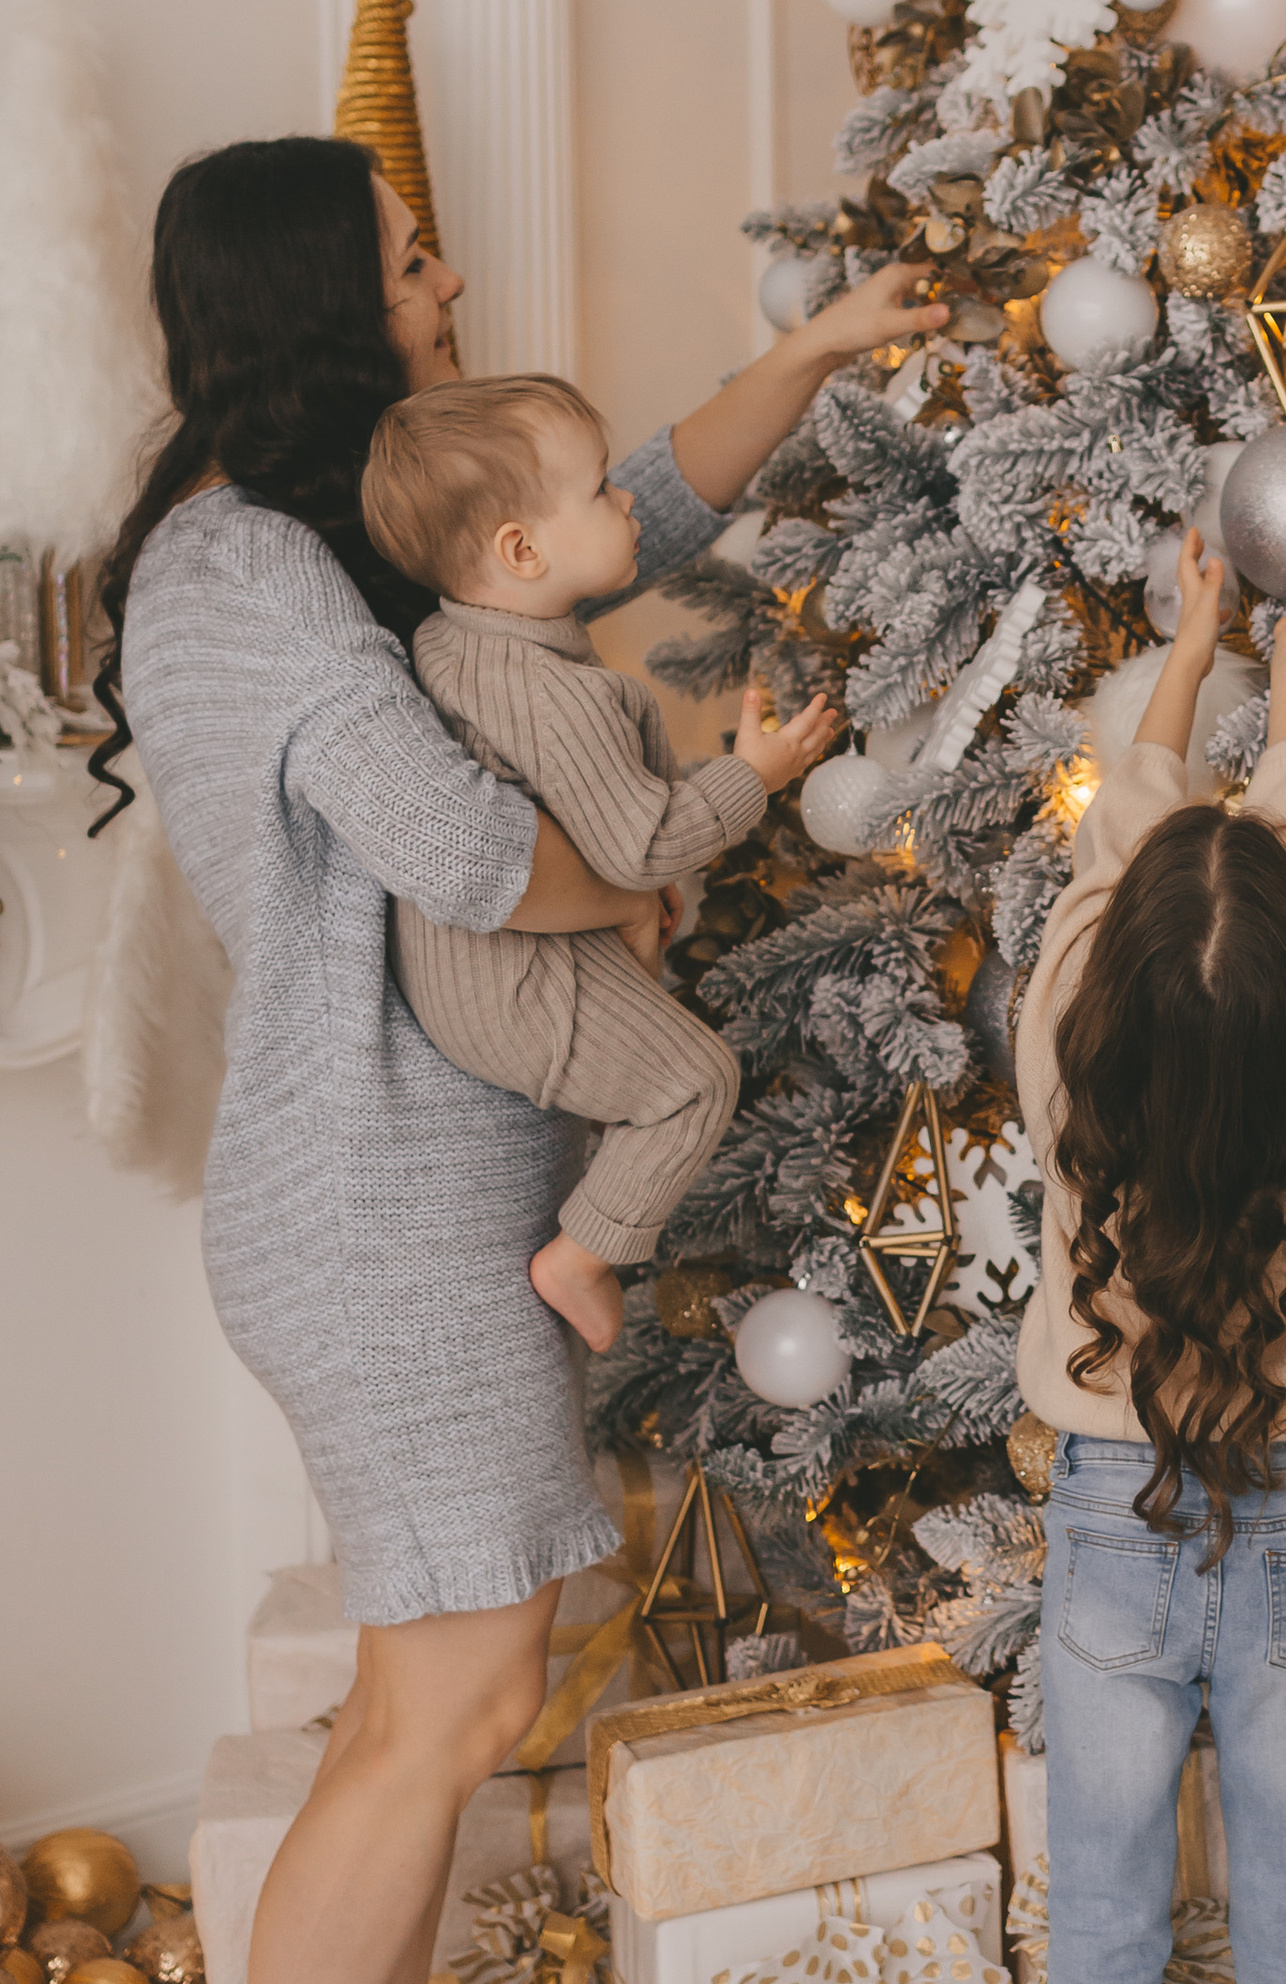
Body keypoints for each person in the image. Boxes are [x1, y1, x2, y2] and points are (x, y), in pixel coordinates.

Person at [94, 136, 943, 1984]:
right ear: (321, 301)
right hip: (368, 1203)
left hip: (422, 1189)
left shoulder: (334, 534)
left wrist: (809, 360)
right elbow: (463, 849)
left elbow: (606, 515)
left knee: (446, 1707)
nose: (447, 286)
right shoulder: (238, 565)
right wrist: (634, 890)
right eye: (411, 266)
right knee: (446, 1716)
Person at [1014, 526, 1286, 1984]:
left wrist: (1190, 648)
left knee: (1106, 1901)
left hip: (1115, 1496)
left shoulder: (1069, 1034)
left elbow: (1122, 833)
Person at [360, 372, 839, 1354]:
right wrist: (755, 774)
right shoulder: (557, 694)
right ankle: (579, 1254)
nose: (626, 500)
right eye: (598, 490)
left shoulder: (452, 640)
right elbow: (642, 844)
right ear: (521, 550)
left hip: (469, 961)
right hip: (513, 980)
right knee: (694, 1080)